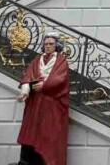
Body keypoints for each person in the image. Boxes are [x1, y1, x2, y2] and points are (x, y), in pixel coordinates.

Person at [16, 33, 69, 165]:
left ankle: (44, 160)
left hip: (50, 104)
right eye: (46, 44)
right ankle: (26, 160)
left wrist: (45, 85)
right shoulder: (37, 60)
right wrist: (25, 90)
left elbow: (61, 78)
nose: (48, 46)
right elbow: (28, 75)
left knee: (47, 132)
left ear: (56, 46)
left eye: (51, 44)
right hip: (35, 103)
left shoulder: (61, 60)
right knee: (31, 130)